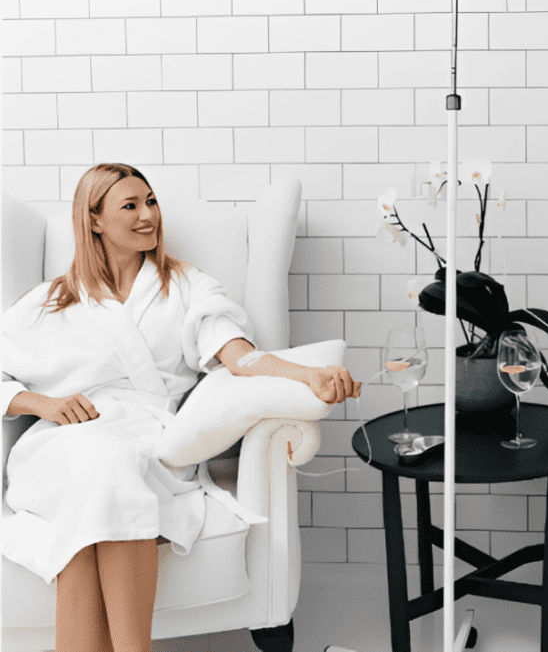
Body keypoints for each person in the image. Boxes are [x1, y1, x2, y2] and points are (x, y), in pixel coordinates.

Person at [1, 163, 361, 652]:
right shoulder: (49, 302)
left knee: (103, 479)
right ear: (94, 221)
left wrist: (308, 375)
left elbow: (240, 357)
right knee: (99, 463)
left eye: (150, 201)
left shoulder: (188, 287)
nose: (148, 215)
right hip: (59, 447)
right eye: (130, 206)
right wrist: (40, 401)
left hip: (150, 444)